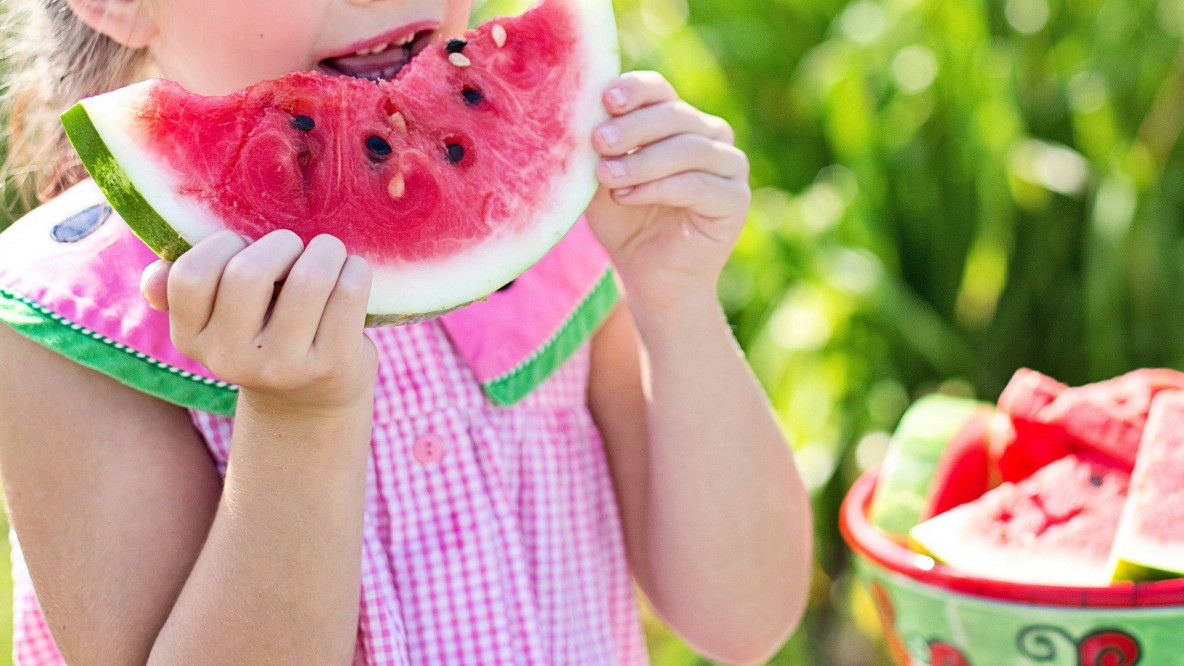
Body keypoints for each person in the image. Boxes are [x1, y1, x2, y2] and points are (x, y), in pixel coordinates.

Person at [0, 0, 812, 663]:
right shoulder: (68, 326)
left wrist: (676, 300)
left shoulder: (559, 220)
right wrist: (298, 423)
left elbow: (746, 618)